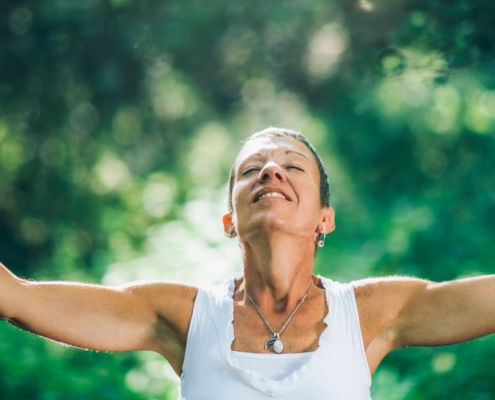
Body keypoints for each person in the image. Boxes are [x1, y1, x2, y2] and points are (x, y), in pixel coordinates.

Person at [1, 126, 495, 399]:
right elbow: (15, 297)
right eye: (252, 170)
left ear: (325, 218)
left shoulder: (371, 312)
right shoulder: (181, 316)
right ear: (229, 220)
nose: (272, 169)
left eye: (292, 165)